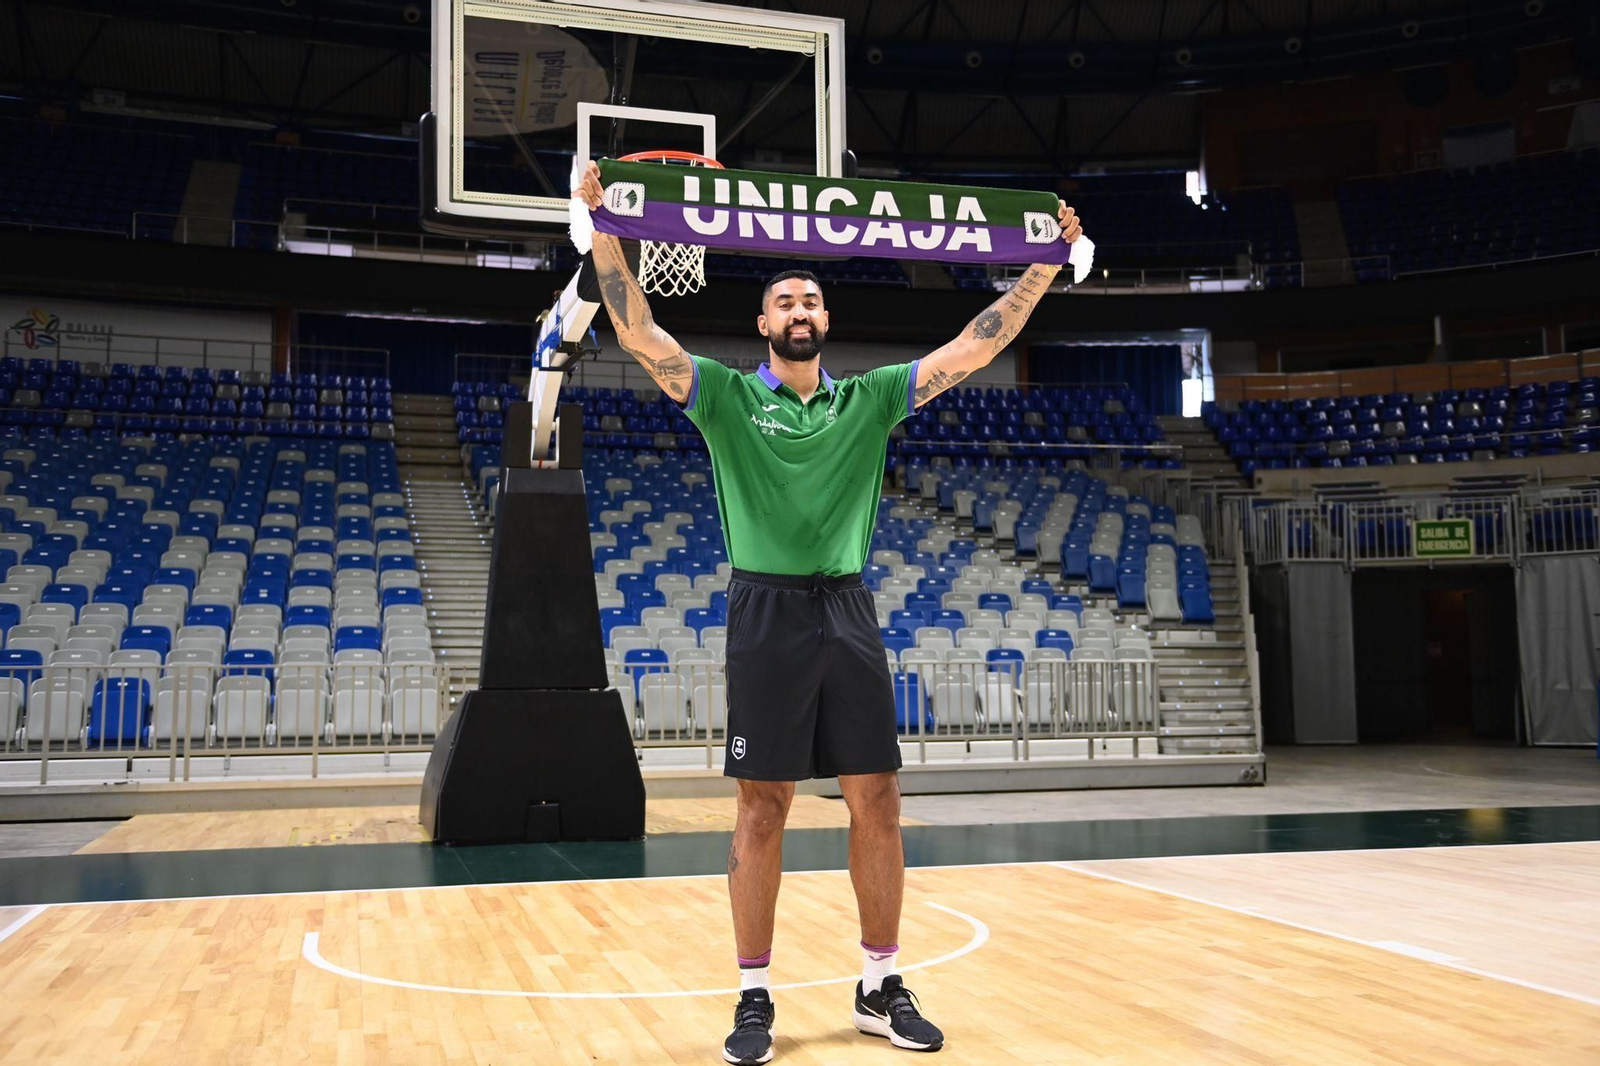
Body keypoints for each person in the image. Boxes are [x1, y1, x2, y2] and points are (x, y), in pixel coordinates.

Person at [576, 160, 1081, 1064]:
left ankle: (880, 984)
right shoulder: (725, 398)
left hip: (847, 609)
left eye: (812, 300)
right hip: (764, 610)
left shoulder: (872, 398)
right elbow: (639, 329)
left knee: (877, 799)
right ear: (763, 324)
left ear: (826, 321)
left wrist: (1045, 263)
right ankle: (754, 994)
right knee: (761, 808)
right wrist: (604, 227)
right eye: (785, 302)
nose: (800, 311)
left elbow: (973, 346)